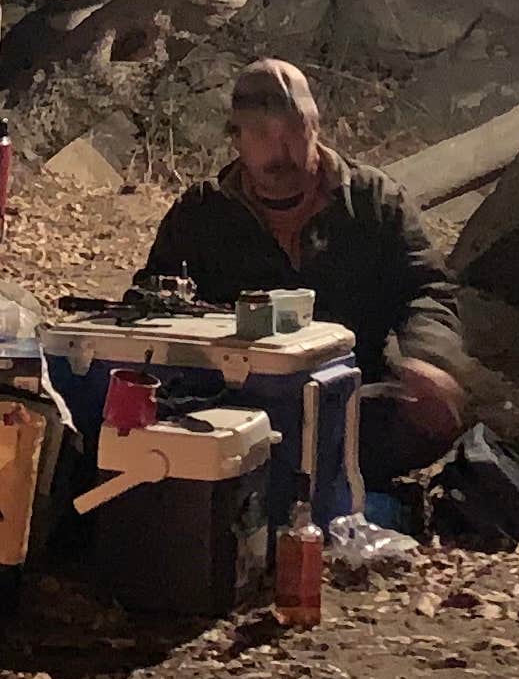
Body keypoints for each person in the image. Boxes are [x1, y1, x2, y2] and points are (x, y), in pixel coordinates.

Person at [136, 55, 471, 477]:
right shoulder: (201, 213)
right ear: (235, 138)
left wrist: (429, 360)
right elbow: (151, 300)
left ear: (316, 125)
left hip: (350, 397)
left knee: (414, 420)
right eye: (260, 133)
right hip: (233, 403)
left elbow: (429, 289)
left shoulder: (372, 201)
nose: (280, 150)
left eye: (293, 129)